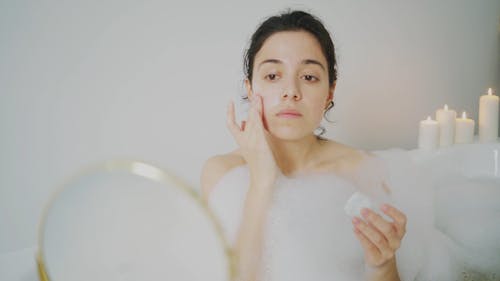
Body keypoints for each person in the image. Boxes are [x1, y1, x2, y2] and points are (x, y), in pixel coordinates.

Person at [200, 10, 408, 281]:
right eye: (273, 76)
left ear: (329, 92)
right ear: (251, 89)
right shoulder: (222, 173)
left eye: (309, 77)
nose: (291, 91)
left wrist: (381, 265)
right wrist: (262, 181)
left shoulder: (363, 170)